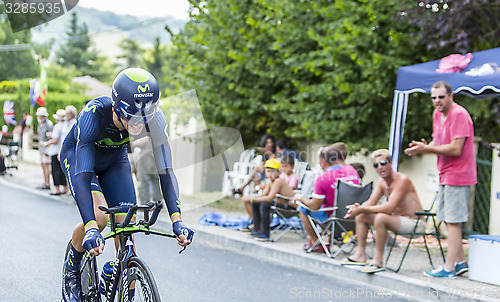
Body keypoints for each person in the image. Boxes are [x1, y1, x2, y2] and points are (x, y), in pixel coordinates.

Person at [60, 68, 194, 302]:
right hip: (80, 160)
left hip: (114, 161)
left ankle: (120, 280)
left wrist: (177, 220)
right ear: (116, 107)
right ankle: (72, 267)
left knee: (127, 228)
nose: (139, 125)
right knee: (100, 218)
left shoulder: (155, 118)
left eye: (145, 119)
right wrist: (91, 227)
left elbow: (166, 171)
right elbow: (82, 175)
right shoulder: (93, 114)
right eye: (132, 118)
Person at [405, 80, 475, 278]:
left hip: (458, 175)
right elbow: (438, 141)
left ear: (451, 96)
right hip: (444, 173)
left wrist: (427, 149)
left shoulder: (459, 114)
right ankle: (460, 263)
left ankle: (449, 267)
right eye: (433, 97)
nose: (437, 101)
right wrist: (423, 146)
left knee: (453, 221)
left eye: (441, 97)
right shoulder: (437, 114)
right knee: (446, 220)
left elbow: (455, 148)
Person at [342, 149, 424, 273]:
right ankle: (360, 255)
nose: (380, 167)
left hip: (415, 223)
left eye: (383, 163)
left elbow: (389, 208)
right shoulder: (382, 183)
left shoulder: (402, 180)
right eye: (376, 165)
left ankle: (378, 260)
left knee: (381, 217)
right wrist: (357, 208)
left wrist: (362, 208)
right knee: (362, 216)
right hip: (396, 220)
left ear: (391, 163)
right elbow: (370, 203)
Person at [295, 143, 360, 252]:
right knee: (330, 206)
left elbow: (314, 206)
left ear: (323, 161)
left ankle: (317, 243)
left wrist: (301, 197)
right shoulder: (352, 170)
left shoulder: (323, 177)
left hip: (333, 220)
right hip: (354, 218)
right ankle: (327, 240)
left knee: (303, 208)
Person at [241, 158, 296, 241]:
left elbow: (269, 198)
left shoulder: (278, 181)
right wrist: (250, 198)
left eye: (273, 171)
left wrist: (251, 199)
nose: (270, 174)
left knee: (264, 204)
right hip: (280, 205)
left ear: (279, 172)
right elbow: (263, 195)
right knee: (256, 203)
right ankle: (257, 229)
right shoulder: (270, 182)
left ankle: (265, 233)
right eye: (268, 171)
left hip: (289, 208)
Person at [133, 136, 162, 205]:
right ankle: (145, 203)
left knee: (154, 181)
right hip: (145, 156)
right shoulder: (143, 134)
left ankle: (157, 203)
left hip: (155, 156)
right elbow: (132, 144)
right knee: (144, 181)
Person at [45, 109, 67, 195]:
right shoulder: (65, 125)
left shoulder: (57, 126)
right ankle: (65, 188)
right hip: (62, 151)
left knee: (55, 170)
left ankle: (57, 189)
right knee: (62, 170)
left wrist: (46, 143)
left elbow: (55, 139)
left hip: (55, 151)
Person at [36, 107, 53, 190]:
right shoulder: (40, 124)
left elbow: (51, 137)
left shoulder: (48, 124)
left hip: (46, 148)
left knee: (46, 166)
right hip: (41, 148)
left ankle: (47, 183)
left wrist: (48, 148)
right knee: (43, 165)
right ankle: (45, 182)